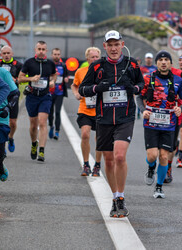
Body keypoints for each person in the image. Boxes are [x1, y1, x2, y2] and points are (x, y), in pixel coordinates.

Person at [78, 30, 144, 217]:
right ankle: (114, 197)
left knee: (120, 156)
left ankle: (121, 198)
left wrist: (135, 88)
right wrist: (97, 88)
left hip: (125, 117)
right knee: (108, 159)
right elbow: (83, 89)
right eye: (110, 45)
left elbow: (141, 84)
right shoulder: (97, 66)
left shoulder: (131, 64)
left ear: (122, 45)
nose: (114, 48)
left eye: (117, 44)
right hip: (104, 119)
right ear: (105, 46)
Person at [136, 50, 182, 198]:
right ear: (156, 63)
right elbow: (139, 98)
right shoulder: (148, 79)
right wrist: (142, 110)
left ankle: (159, 187)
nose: (164, 62)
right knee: (152, 155)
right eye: (161, 60)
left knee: (164, 156)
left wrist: (180, 108)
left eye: (166, 60)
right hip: (151, 123)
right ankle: (151, 167)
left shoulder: (178, 80)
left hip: (169, 125)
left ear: (171, 63)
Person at [18, 41, 57, 162]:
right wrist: (31, 78)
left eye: (43, 49)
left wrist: (52, 81)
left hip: (45, 97)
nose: (41, 51)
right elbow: (20, 79)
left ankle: (41, 150)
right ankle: (34, 143)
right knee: (33, 125)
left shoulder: (50, 63)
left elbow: (54, 74)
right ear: (35, 50)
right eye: (39, 49)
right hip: (32, 97)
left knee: (42, 122)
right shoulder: (29, 62)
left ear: (46, 51)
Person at [71, 47, 103, 176]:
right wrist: (76, 94)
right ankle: (86, 164)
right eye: (92, 57)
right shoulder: (81, 71)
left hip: (100, 109)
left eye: (97, 57)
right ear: (87, 58)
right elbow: (74, 85)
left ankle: (97, 165)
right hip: (85, 109)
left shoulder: (104, 72)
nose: (94, 59)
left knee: (99, 139)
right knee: (85, 134)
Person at [0, 45, 23, 153]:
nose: (6, 55)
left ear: (12, 54)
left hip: (12, 96)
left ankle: (11, 137)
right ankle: (2, 146)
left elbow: (25, 79)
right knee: (4, 123)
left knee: (12, 122)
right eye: (4, 53)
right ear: (1, 55)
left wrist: (16, 80)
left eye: (8, 53)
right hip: (1, 97)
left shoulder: (18, 65)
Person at [0, 68, 20, 181]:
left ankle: (0, 164)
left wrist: (7, 107)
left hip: (0, 117)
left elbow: (15, 93)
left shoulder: (3, 73)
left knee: (0, 153)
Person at [48, 48, 69, 140]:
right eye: (55, 54)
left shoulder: (63, 65)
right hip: (49, 92)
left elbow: (66, 76)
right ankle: (51, 126)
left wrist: (66, 79)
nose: (56, 56)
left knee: (57, 112)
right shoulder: (48, 65)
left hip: (59, 92)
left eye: (58, 54)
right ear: (52, 55)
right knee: (50, 112)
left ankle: (57, 131)